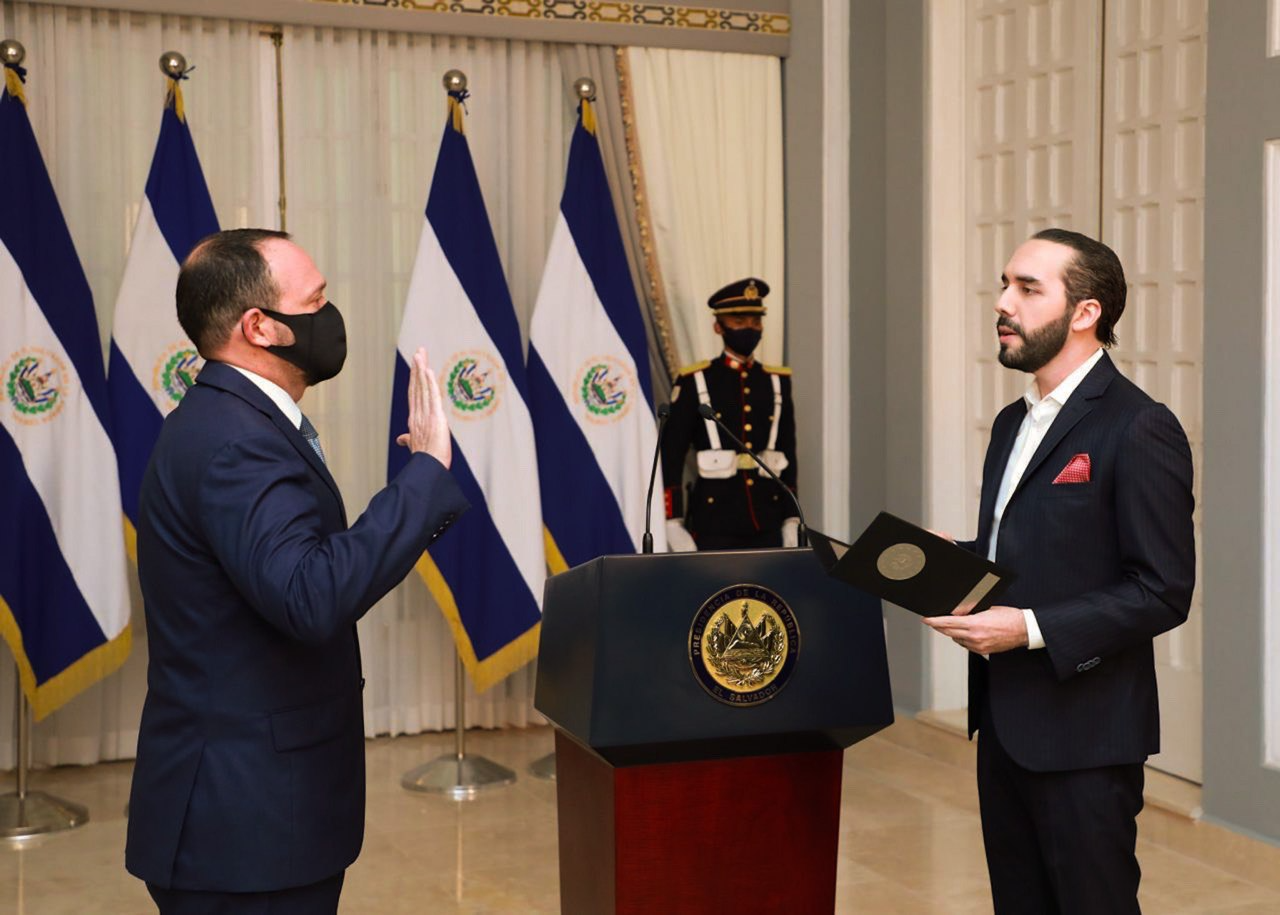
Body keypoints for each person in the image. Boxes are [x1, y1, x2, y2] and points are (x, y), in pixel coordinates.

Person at [125, 229, 468, 913]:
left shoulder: (229, 419)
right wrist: (424, 476)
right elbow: (310, 593)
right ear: (260, 326)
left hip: (248, 814)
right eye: (316, 301)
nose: (328, 317)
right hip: (246, 827)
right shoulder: (237, 441)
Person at [924, 228, 1195, 914]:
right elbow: (1037, 551)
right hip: (1005, 729)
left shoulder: (1139, 427)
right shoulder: (1012, 423)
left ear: (1085, 312)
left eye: (1027, 288)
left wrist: (1030, 628)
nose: (1002, 302)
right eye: (1004, 284)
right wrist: (954, 556)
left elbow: (1163, 589)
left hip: (1087, 738)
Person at [661, 277, 798, 551]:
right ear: (718, 326)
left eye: (755, 321)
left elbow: (787, 451)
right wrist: (671, 520)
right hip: (714, 519)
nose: (750, 328)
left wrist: (791, 517)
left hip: (767, 517)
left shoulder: (775, 381)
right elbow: (671, 454)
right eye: (739, 321)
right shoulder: (695, 381)